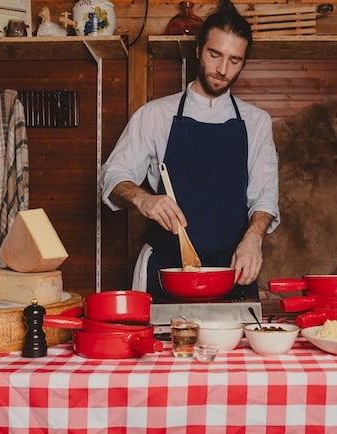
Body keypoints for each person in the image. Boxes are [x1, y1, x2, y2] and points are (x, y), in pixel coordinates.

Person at [100, 0, 279, 300]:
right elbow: (112, 176)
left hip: (232, 271)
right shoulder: (155, 115)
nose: (222, 70)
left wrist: (254, 237)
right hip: (165, 272)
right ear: (198, 51)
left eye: (235, 60)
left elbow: (265, 197)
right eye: (214, 54)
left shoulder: (256, 122)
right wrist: (144, 199)